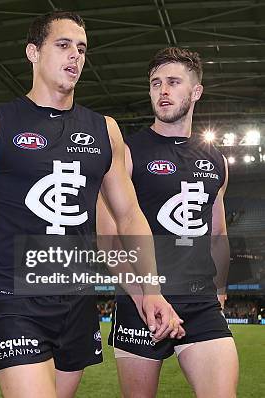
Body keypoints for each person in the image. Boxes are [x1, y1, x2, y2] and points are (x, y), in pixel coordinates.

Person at [0, 11, 182, 398]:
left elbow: (129, 215)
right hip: (13, 294)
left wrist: (151, 289)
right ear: (33, 53)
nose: (75, 55)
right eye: (62, 45)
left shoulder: (104, 130)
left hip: (77, 296)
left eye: (81, 48)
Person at [98, 47, 238, 398]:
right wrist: (145, 296)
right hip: (140, 302)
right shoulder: (127, 153)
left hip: (200, 302)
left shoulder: (216, 159)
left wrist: (219, 291)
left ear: (195, 91)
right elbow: (109, 242)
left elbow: (218, 234)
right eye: (155, 83)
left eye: (174, 82)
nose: (163, 90)